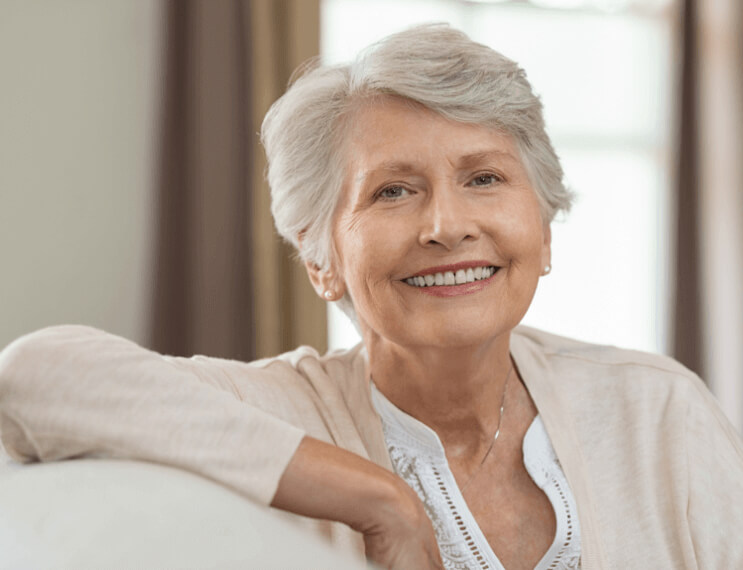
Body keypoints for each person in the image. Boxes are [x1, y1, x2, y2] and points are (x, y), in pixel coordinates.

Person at [1, 24, 742, 570]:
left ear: (542, 231)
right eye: (393, 191)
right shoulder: (278, 412)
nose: (447, 226)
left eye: (483, 178)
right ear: (321, 261)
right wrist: (373, 498)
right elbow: (35, 379)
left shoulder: (656, 412)